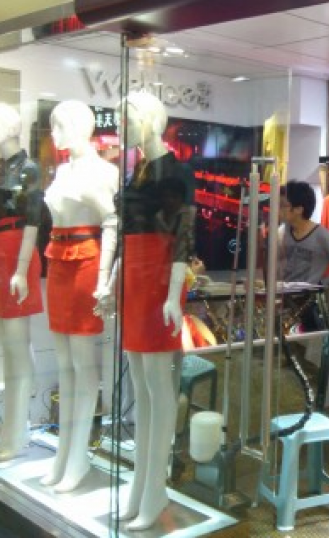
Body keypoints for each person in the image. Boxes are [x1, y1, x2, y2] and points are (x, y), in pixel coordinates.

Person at [114, 91, 194, 531]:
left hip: (160, 281)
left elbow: (183, 237)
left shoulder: (176, 172)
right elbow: (127, 235)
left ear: (148, 120)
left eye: (126, 119)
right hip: (134, 281)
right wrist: (113, 280)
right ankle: (140, 485)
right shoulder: (137, 172)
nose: (121, 127)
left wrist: (173, 294)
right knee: (140, 386)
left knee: (157, 385)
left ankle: (155, 487)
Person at [42, 100, 118, 491]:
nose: (54, 134)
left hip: (86, 263)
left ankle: (78, 457)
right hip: (57, 260)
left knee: (82, 362)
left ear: (79, 127)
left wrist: (105, 278)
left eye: (59, 126)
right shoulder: (61, 170)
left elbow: (112, 220)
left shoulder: (104, 172)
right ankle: (64, 454)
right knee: (64, 362)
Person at [0, 102, 44, 462]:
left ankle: (17, 433)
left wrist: (21, 270)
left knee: (17, 347)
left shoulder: (28, 169)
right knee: (10, 349)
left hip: (15, 257)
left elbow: (33, 222)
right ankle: (13, 429)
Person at [278, 180, 329, 288]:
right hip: (282, 294)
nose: (278, 209)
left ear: (299, 209)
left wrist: (321, 284)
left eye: (283, 205)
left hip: (307, 296)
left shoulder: (322, 236)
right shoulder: (283, 231)